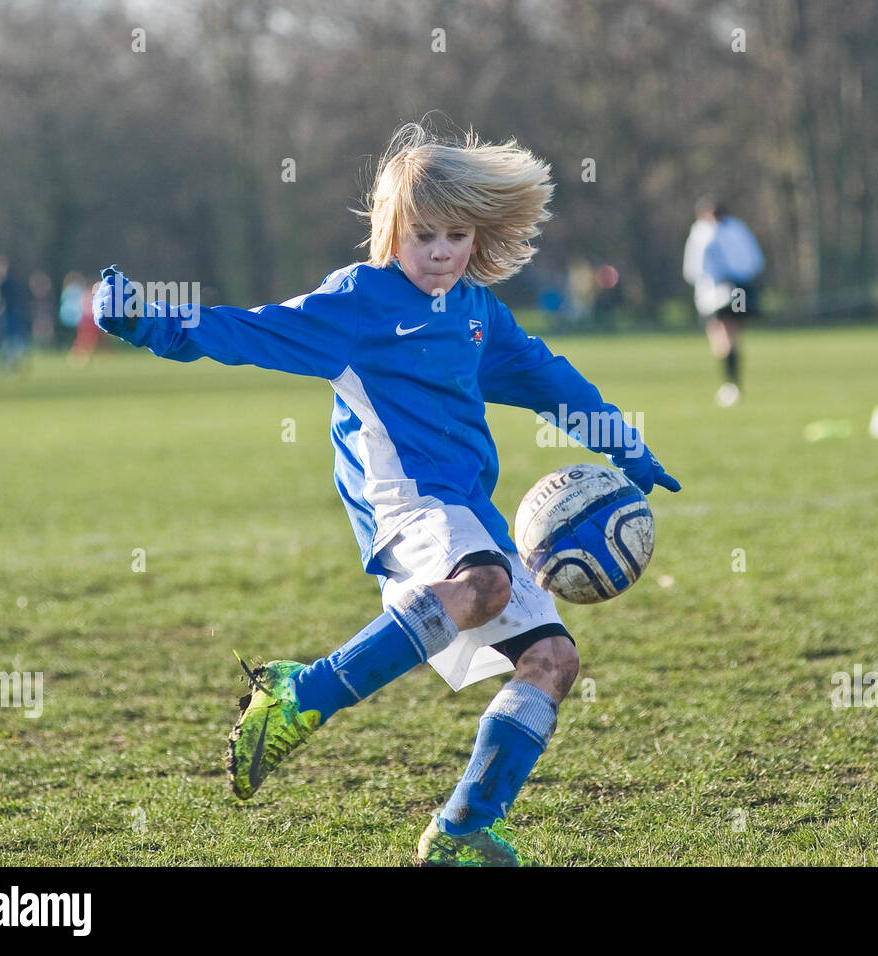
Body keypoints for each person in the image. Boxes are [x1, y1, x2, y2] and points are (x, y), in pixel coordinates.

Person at [92, 121, 680, 866]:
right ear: (391, 230)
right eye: (423, 234)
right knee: (487, 583)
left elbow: (542, 377)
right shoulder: (359, 304)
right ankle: (299, 699)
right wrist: (150, 321)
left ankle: (461, 831)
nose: (440, 251)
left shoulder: (474, 313)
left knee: (554, 660)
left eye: (457, 234)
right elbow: (248, 333)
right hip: (403, 502)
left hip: (469, 512)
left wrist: (622, 442)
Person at [682, 197, 765, 406]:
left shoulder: (703, 232)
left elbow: (694, 269)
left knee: (723, 334)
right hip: (737, 289)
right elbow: (754, 260)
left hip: (719, 292)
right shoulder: (737, 228)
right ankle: (732, 382)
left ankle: (731, 383)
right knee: (729, 335)